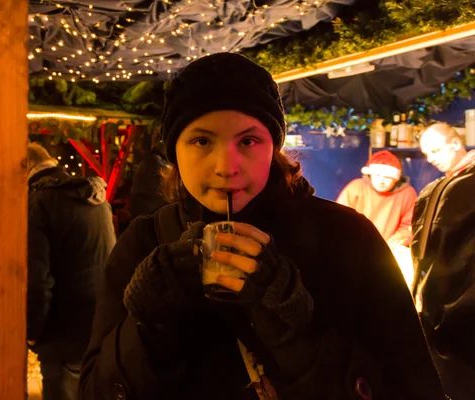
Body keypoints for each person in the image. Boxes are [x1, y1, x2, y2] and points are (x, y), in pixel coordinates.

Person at [78, 53, 444, 400]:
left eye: (248, 140)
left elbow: (409, 384)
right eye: (202, 140)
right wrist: (147, 328)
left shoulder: (347, 238)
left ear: (274, 147)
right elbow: (94, 391)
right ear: (175, 151)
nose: (226, 166)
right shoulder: (144, 241)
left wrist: (294, 329)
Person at [27, 143, 116, 400]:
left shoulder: (39, 203)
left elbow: (37, 283)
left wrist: (32, 331)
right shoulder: (92, 195)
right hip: (101, 325)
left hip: (63, 335)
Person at [412, 122, 475, 400]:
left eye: (436, 150)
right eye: (426, 154)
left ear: (455, 143)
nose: (431, 158)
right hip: (440, 308)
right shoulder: (435, 188)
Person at [337, 150, 417, 287]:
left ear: (396, 178)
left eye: (387, 177)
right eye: (378, 175)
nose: (381, 180)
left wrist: (390, 245)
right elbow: (339, 220)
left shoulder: (407, 193)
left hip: (391, 249)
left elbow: (408, 227)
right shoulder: (356, 187)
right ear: (370, 174)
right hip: (356, 247)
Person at [130, 134, 171, 219]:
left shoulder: (150, 161)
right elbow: (159, 192)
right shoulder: (155, 163)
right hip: (150, 211)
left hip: (144, 210)